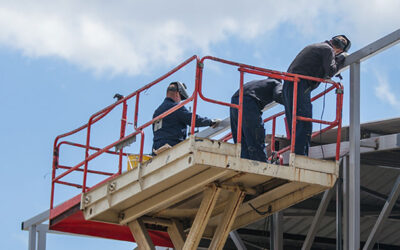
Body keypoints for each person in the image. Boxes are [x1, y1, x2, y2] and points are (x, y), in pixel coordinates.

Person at [282, 35, 351, 156]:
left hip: (290, 83)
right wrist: (340, 59)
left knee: (294, 121)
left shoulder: (317, 46)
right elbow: (330, 71)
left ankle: (295, 151)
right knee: (304, 120)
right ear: (340, 50)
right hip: (300, 83)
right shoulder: (328, 49)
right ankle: (300, 154)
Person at [152, 81, 219, 154]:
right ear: (177, 94)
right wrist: (210, 122)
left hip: (156, 149)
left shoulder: (156, 112)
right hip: (172, 146)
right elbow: (193, 120)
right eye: (181, 98)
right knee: (203, 146)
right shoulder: (175, 107)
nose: (180, 101)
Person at [230, 78, 283, 162]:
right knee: (255, 136)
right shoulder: (276, 83)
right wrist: (292, 103)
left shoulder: (258, 83)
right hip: (249, 101)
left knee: (241, 139)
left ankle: (244, 162)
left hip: (235, 100)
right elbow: (278, 95)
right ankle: (261, 164)